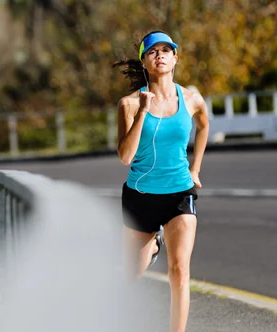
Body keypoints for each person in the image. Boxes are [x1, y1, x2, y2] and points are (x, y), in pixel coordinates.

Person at [112, 30, 210, 332]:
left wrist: (195, 170)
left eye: (167, 50)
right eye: (153, 51)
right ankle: (153, 245)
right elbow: (125, 157)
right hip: (140, 197)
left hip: (179, 194)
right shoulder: (128, 104)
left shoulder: (191, 99)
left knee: (180, 271)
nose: (161, 55)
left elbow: (204, 126)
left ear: (175, 58)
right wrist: (143, 110)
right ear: (144, 61)